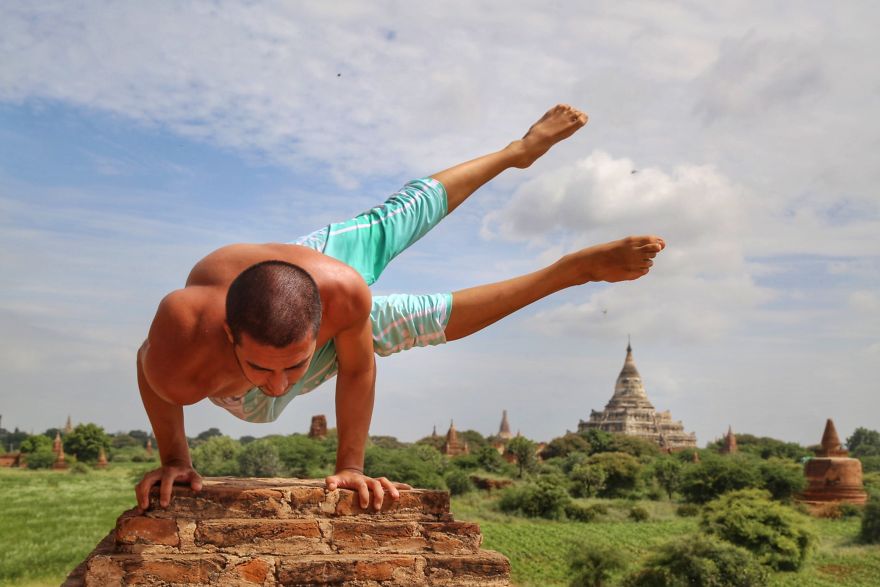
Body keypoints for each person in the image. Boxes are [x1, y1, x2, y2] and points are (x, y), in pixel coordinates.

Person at [134, 104, 665, 513]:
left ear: (321, 327)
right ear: (231, 337)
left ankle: (522, 164)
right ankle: (569, 271)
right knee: (389, 322)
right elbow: (149, 374)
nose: (278, 385)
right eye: (262, 368)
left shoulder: (343, 292)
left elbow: (358, 368)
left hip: (304, 281)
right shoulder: (184, 343)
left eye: (294, 368)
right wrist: (175, 460)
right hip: (239, 376)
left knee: (396, 226)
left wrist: (350, 467)